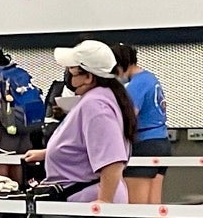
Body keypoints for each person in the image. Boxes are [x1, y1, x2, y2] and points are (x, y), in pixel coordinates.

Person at [28, 38, 135, 204]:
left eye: (72, 70)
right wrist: (48, 153)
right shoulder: (99, 99)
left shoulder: (96, 106)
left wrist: (104, 202)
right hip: (82, 199)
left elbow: (112, 161)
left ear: (88, 77)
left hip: (88, 205)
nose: (67, 74)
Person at [113, 41, 173, 218]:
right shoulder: (151, 79)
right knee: (156, 205)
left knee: (137, 209)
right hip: (162, 143)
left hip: (144, 145)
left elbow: (130, 117)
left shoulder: (136, 85)